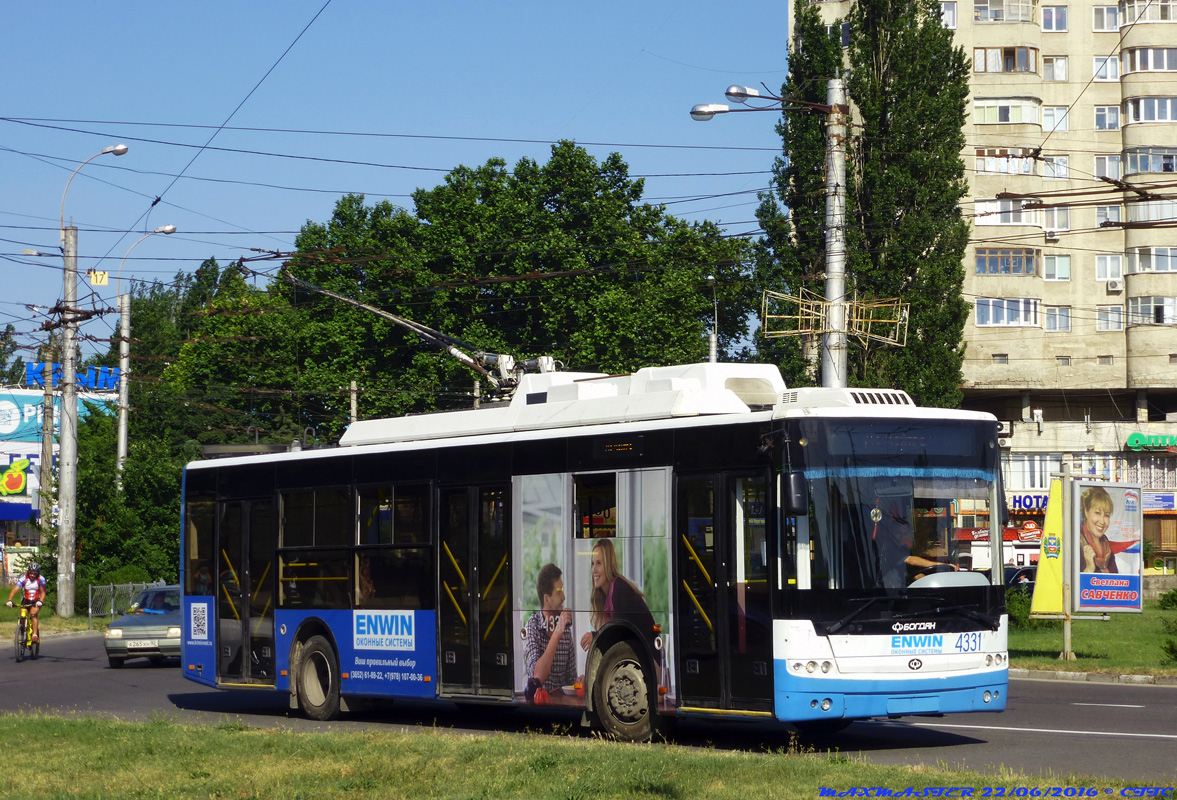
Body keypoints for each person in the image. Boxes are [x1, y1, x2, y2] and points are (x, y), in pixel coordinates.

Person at [579, 538, 656, 654]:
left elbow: (619, 635)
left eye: (599, 563)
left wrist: (596, 636)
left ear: (609, 565)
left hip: (648, 658)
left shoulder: (620, 590)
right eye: (592, 563)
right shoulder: (607, 595)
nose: (594, 569)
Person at [523, 563, 578, 703]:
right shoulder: (532, 626)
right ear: (547, 599)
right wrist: (556, 634)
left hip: (562, 708)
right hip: (540, 708)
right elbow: (537, 678)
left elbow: (571, 681)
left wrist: (580, 683)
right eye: (559, 592)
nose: (564, 597)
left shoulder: (565, 630)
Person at [6, 561, 47, 643]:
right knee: (23, 614)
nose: (32, 575)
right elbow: (15, 590)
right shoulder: (23, 578)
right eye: (31, 573)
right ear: (28, 572)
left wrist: (41, 601)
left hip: (36, 600)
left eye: (34, 574)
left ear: (37, 574)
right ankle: (22, 631)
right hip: (26, 600)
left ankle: (34, 635)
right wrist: (9, 600)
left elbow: (43, 592)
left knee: (33, 614)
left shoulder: (41, 579)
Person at [1079, 486, 1118, 574]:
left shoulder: (1106, 544)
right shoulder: (1076, 542)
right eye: (1097, 513)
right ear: (1086, 511)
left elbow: (1115, 577)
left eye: (1106, 515)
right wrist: (1089, 569)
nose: (1102, 521)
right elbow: (1068, 579)